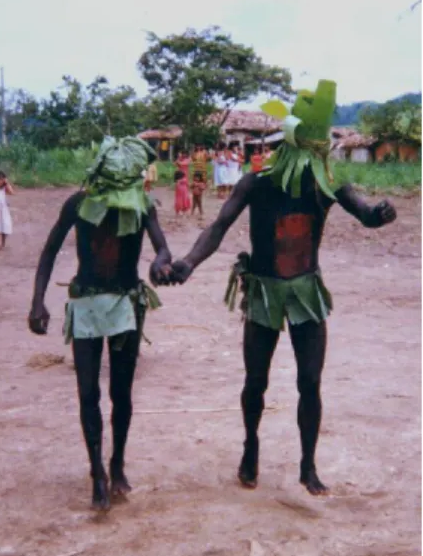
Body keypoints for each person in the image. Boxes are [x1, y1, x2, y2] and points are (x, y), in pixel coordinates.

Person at [165, 80, 397, 496]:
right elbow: (218, 227)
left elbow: (364, 213)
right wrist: (187, 263)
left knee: (310, 381)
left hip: (307, 292)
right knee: (257, 381)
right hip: (265, 291)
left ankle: (308, 466)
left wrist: (382, 213)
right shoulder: (258, 182)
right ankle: (250, 447)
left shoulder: (327, 186)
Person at [28, 136, 173, 511]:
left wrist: (160, 262)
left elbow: (162, 246)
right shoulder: (78, 205)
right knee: (88, 392)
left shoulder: (141, 205)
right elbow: (48, 251)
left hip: (126, 302)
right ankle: (97, 472)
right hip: (86, 302)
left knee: (121, 393)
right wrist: (37, 301)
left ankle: (117, 462)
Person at [0, 171, 14, 251]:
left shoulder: (4, 189)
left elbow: (11, 192)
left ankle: (2, 243)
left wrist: (7, 183)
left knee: (5, 227)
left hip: (3, 211)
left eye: (1, 180)